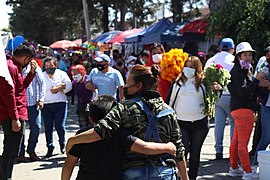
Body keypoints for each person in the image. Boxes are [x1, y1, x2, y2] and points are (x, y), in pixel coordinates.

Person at [66, 65, 189, 180]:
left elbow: (99, 132)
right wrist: (185, 178)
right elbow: (178, 148)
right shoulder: (168, 111)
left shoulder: (124, 107)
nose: (125, 86)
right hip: (164, 172)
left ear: (138, 85)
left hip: (133, 172)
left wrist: (73, 140)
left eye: (128, 83)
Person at [62, 95, 177, 180]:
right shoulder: (120, 134)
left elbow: (68, 165)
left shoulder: (82, 135)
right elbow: (144, 147)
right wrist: (167, 147)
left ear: (91, 118)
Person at [167, 56, 210, 180]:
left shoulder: (203, 83)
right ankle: (181, 177)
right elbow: (170, 101)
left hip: (200, 123)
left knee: (195, 154)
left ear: (197, 68)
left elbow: (212, 99)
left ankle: (192, 177)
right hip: (181, 123)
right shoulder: (177, 83)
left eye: (192, 67)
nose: (188, 69)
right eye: (187, 66)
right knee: (182, 152)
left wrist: (217, 89)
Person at [227, 42, 264, 179]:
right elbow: (243, 92)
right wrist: (256, 81)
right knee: (243, 144)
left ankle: (234, 167)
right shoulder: (238, 71)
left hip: (238, 109)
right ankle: (248, 172)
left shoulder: (242, 70)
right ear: (238, 56)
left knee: (236, 141)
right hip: (243, 110)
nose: (248, 57)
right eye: (245, 55)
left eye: (250, 55)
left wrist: (256, 82)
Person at [0, 42, 37, 180]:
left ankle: (5, 175)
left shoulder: (15, 67)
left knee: (12, 149)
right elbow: (9, 94)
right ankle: (5, 176)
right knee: (11, 150)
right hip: (12, 114)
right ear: (26, 58)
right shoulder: (10, 67)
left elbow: (20, 89)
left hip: (16, 112)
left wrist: (31, 75)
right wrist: (15, 118)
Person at [205, 37, 235, 160]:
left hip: (217, 97)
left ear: (220, 48)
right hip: (232, 97)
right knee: (233, 124)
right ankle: (233, 151)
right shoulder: (234, 60)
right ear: (232, 49)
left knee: (219, 124)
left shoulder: (212, 60)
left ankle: (218, 151)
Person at [42, 56, 72, 157]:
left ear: (55, 65)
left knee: (60, 125)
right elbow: (42, 90)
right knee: (48, 127)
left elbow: (68, 86)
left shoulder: (62, 74)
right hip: (46, 104)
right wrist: (56, 88)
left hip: (60, 103)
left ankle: (62, 143)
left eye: (51, 65)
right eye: (46, 66)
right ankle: (49, 147)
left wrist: (59, 88)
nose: (49, 68)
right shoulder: (42, 76)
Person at [18, 62, 46, 162]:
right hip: (20, 105)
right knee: (20, 130)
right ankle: (20, 153)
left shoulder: (33, 65)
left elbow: (42, 83)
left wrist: (41, 99)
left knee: (36, 128)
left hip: (33, 104)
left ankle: (31, 150)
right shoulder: (15, 66)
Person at [252, 46, 270, 168]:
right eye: (268, 54)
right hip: (266, 106)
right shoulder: (264, 68)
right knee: (266, 136)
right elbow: (256, 86)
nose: (269, 56)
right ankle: (255, 165)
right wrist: (260, 83)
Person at [70, 64, 93, 129]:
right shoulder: (74, 83)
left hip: (90, 107)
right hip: (81, 108)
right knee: (83, 129)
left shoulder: (89, 80)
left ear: (82, 73)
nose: (74, 76)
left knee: (91, 129)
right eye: (73, 74)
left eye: (76, 74)